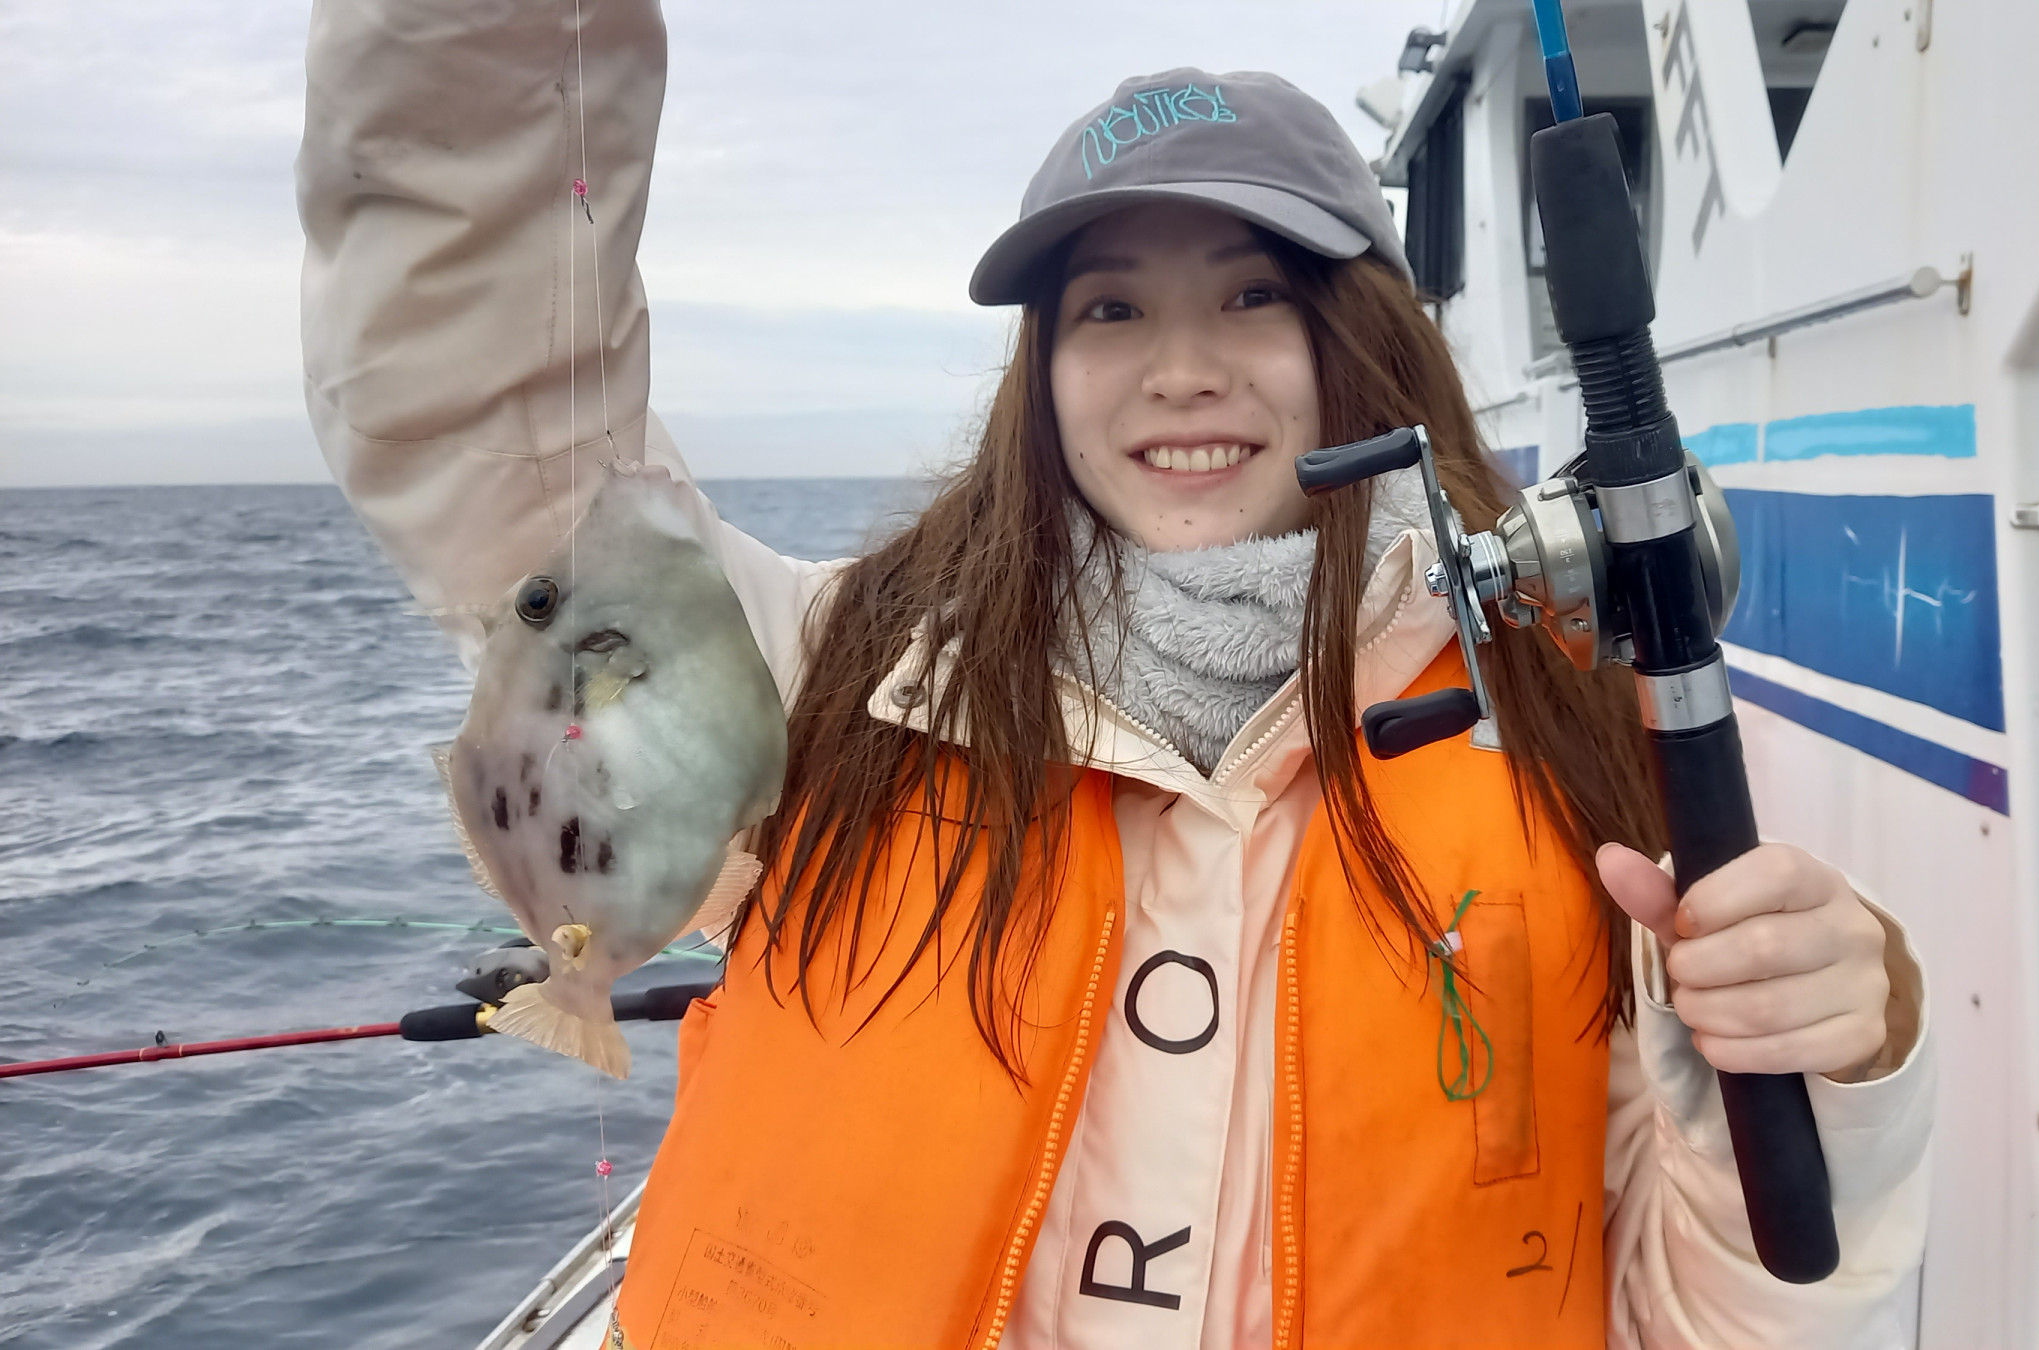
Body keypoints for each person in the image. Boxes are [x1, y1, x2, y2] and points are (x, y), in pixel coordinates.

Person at [298, 3, 1933, 1346]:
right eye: (1110, 309)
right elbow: (497, 407)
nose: (1181, 369)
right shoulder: (835, 673)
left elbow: (1709, 1311)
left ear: (1359, 342)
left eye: (1254, 296)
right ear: (1045, 370)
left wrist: (1834, 1067)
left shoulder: (1570, 734)